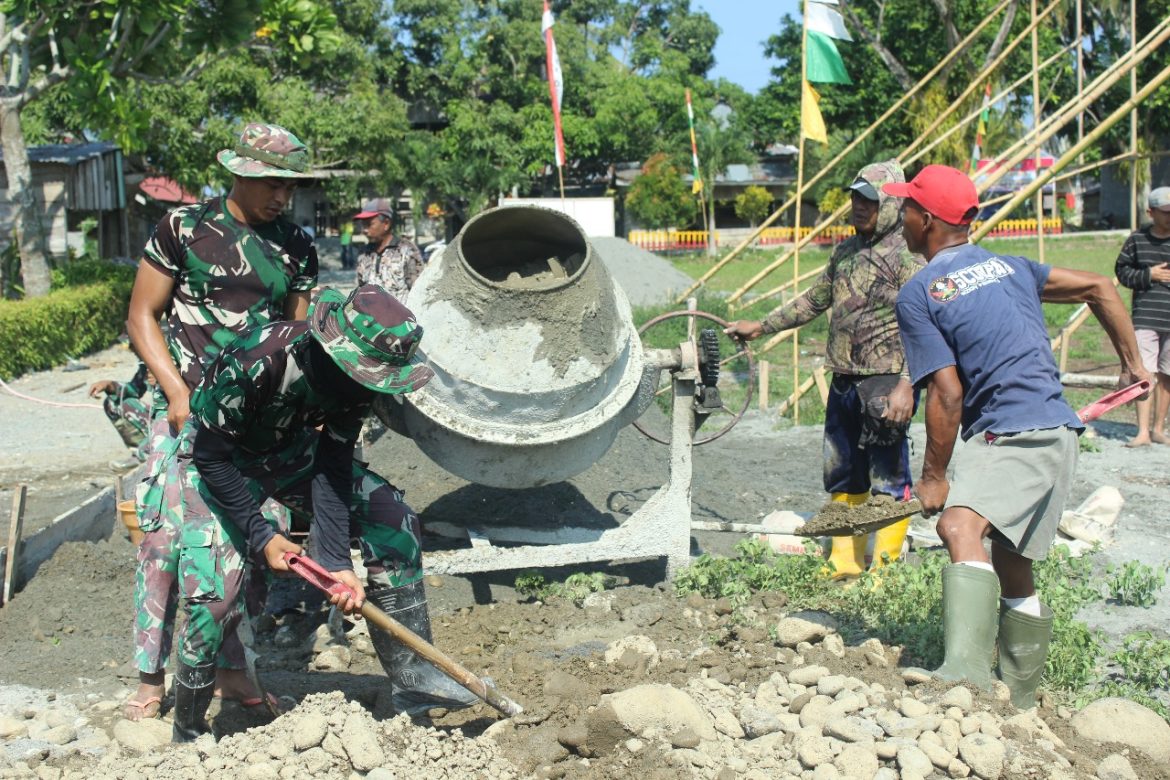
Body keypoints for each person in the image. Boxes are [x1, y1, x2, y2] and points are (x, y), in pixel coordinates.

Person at [889, 164, 1147, 709]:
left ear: (927, 220)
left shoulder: (921, 292)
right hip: (1059, 432)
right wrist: (1133, 363)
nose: (901, 216)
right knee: (1011, 561)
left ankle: (964, 680)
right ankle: (1021, 703)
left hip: (1012, 432)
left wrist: (933, 476)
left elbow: (947, 394)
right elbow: (1100, 286)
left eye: (906, 208)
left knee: (959, 525)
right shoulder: (1010, 266)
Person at [170, 285, 476, 741]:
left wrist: (334, 561)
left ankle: (414, 685)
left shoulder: (357, 384)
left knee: (393, 519)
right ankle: (188, 733)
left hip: (286, 451)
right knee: (214, 594)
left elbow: (332, 464)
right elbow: (211, 456)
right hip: (217, 458)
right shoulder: (258, 361)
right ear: (333, 350)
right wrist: (261, 534)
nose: (367, 387)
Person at [123, 122, 318, 721]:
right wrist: (176, 390)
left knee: (240, 541)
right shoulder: (182, 228)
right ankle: (149, 677)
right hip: (178, 407)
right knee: (162, 540)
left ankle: (233, 671)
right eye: (269, 183)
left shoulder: (296, 245)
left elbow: (297, 334)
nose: (281, 196)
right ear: (237, 172)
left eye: (290, 186)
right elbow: (141, 317)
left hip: (250, 421)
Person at [725, 160, 924, 579]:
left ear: (890, 203)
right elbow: (814, 300)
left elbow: (924, 325)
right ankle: (844, 563)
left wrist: (908, 383)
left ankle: (885, 571)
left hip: (887, 383)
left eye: (869, 200)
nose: (858, 206)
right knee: (843, 475)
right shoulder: (845, 252)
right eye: (855, 198)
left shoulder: (909, 256)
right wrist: (760, 326)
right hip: (845, 381)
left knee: (888, 479)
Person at [1114, 185, 1170, 447]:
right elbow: (1122, 272)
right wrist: (1149, 275)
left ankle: (1159, 429)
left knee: (1168, 374)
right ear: (1151, 212)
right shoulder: (1137, 241)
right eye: (1165, 212)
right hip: (1146, 316)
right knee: (1144, 372)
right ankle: (1142, 432)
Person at [355, 198, 424, 302]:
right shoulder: (364, 254)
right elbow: (360, 291)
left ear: (386, 224)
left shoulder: (406, 251)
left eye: (369, 224)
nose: (364, 230)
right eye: (363, 225)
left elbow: (419, 292)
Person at [90, 361, 153, 463]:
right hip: (160, 419)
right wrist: (109, 385)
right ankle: (141, 452)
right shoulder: (146, 364)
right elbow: (135, 389)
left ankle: (155, 449)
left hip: (177, 420)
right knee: (113, 403)